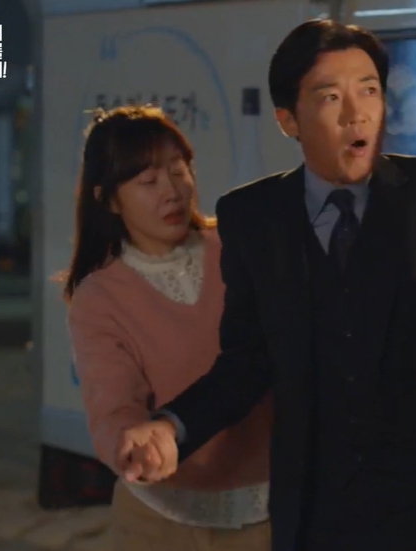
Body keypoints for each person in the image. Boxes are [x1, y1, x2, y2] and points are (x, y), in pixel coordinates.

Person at [117, 20, 416, 551]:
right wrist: (172, 427)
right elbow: (246, 361)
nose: (356, 113)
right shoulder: (251, 216)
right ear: (288, 119)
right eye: (330, 97)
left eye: (369, 91)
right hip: (314, 512)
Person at [63, 104, 273, 551]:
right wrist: (135, 443)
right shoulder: (100, 296)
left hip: (266, 513)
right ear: (109, 199)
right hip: (159, 521)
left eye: (179, 171)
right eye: (148, 181)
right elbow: (112, 404)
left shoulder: (240, 251)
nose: (173, 191)